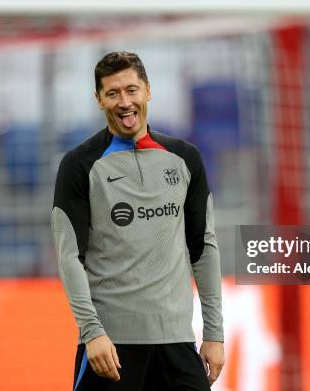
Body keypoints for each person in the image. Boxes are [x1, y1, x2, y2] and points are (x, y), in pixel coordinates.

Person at [51, 51, 224, 391]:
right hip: (110, 347)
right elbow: (69, 256)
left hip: (177, 343)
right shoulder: (80, 164)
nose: (124, 102)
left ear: (148, 90)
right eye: (112, 93)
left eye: (131, 90)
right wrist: (93, 332)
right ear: (98, 99)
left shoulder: (185, 158)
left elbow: (204, 249)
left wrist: (214, 334)